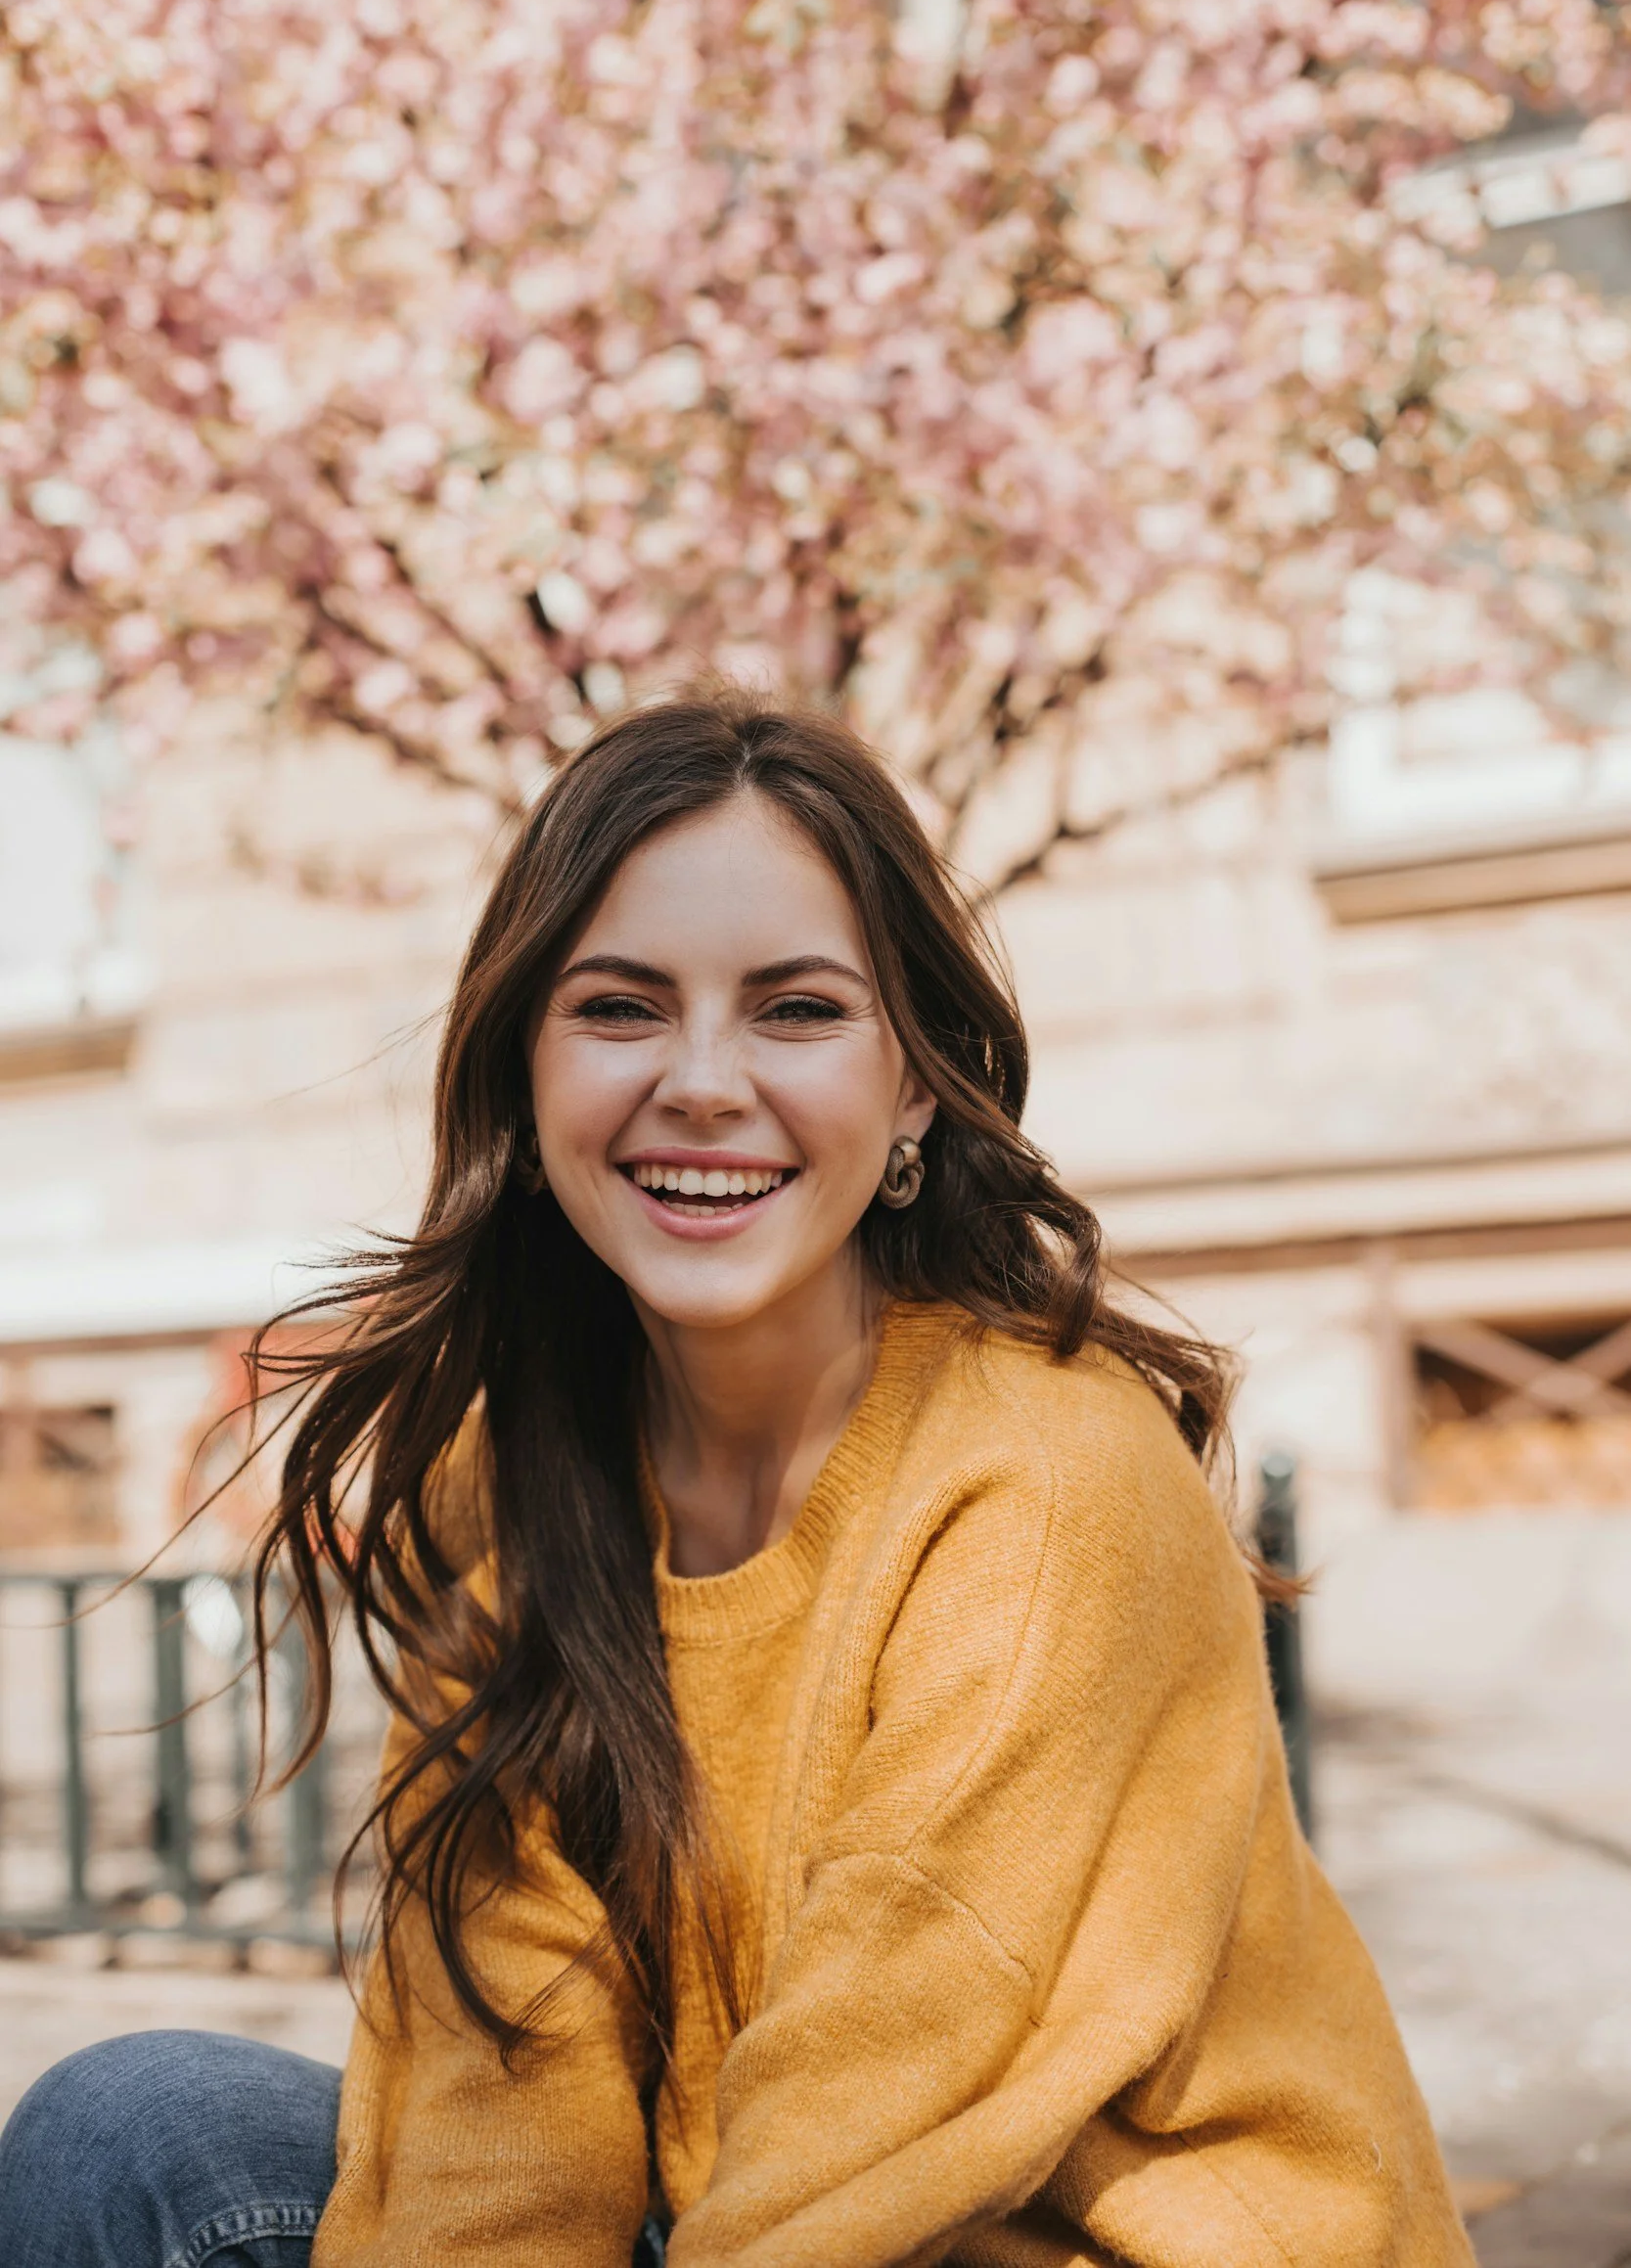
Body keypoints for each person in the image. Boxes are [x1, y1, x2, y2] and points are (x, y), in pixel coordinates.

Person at [0, 691, 1475, 2267]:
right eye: (621, 1008)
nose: (702, 1082)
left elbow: (868, 2132)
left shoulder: (1041, 1485)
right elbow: (497, 2092)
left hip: (1057, 2239)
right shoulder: (520, 1478)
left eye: (796, 1011)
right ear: (525, 1071)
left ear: (914, 1088)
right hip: (734, 2212)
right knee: (132, 2130)